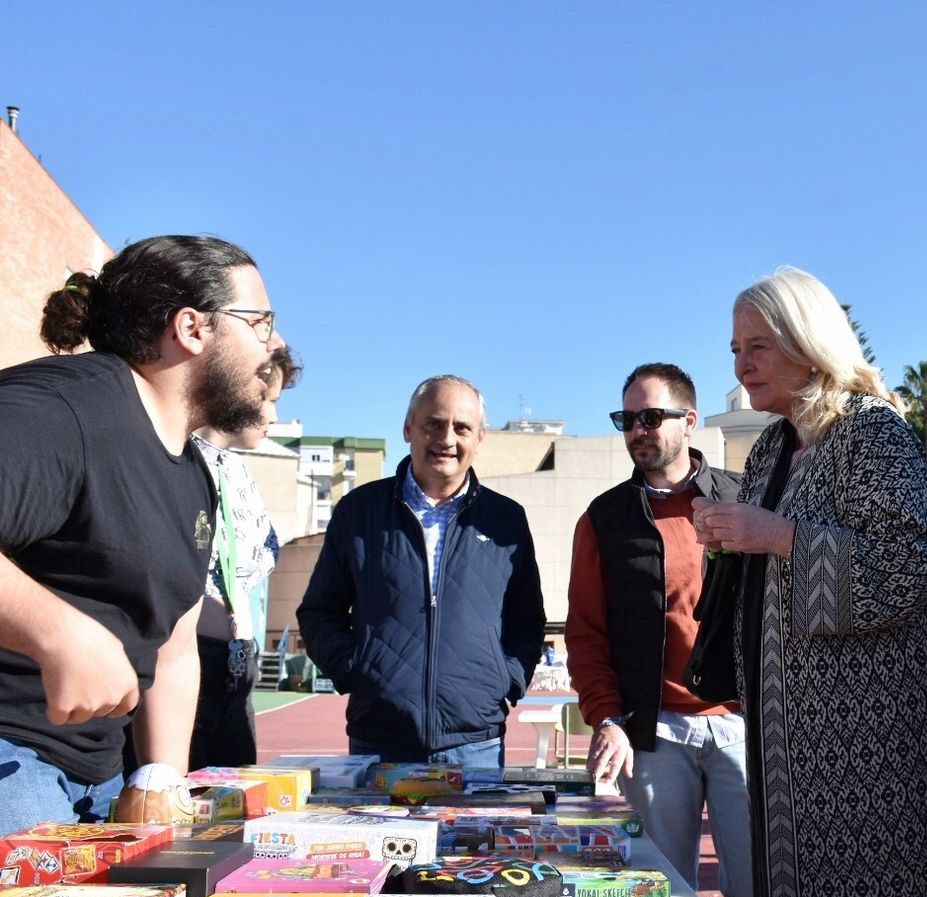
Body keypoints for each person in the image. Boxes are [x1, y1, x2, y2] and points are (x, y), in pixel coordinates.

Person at [693, 268, 927, 897]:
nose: (743, 363)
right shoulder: (775, 442)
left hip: (866, 762)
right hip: (789, 754)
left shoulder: (871, 430)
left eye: (760, 345)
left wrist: (776, 537)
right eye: (735, 347)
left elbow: (909, 566)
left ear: (811, 344)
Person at [0, 235, 276, 835]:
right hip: (12, 765)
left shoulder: (195, 475)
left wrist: (160, 780)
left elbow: (173, 647)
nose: (273, 345)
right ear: (192, 328)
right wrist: (57, 633)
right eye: (260, 322)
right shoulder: (62, 407)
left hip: (98, 779)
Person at [567, 362, 752, 897]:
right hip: (655, 734)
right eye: (626, 421)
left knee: (755, 891)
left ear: (690, 420)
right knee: (671, 894)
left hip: (739, 723)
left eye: (651, 417)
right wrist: (607, 716)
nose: (637, 432)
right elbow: (586, 631)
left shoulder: (741, 498)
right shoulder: (605, 518)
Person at [298, 375, 545, 773]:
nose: (447, 438)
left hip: (476, 745)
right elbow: (318, 613)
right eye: (434, 423)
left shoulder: (506, 520)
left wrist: (506, 679)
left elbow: (527, 621)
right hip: (379, 742)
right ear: (409, 428)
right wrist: (357, 670)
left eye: (462, 427)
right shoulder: (359, 512)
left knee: (472, 839)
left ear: (479, 437)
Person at [187, 344, 303, 770]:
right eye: (267, 399)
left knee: (234, 795)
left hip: (237, 666)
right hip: (188, 663)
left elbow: (250, 563)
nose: (273, 415)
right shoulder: (178, 458)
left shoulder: (237, 469)